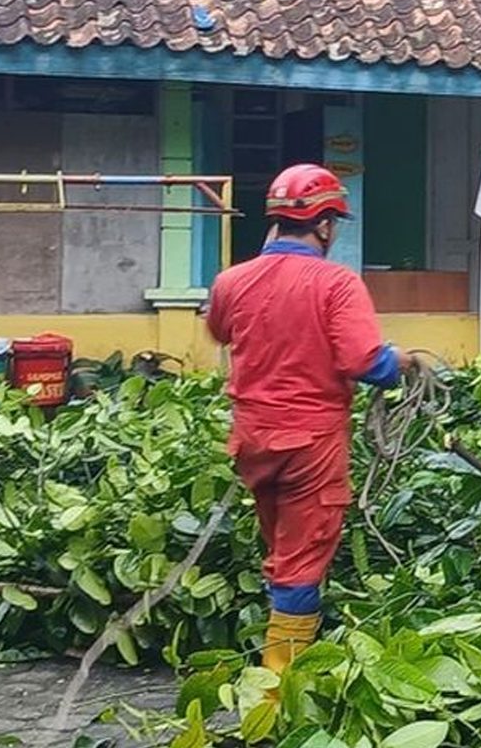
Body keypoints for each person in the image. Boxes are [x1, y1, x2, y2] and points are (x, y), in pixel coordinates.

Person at [205, 163, 415, 674]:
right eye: (335, 223)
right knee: (301, 561)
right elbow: (364, 361)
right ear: (323, 225)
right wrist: (401, 364)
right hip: (310, 445)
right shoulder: (336, 283)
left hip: (252, 439)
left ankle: (277, 653)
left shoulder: (231, 280)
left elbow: (220, 330)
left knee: (280, 549)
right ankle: (280, 692)